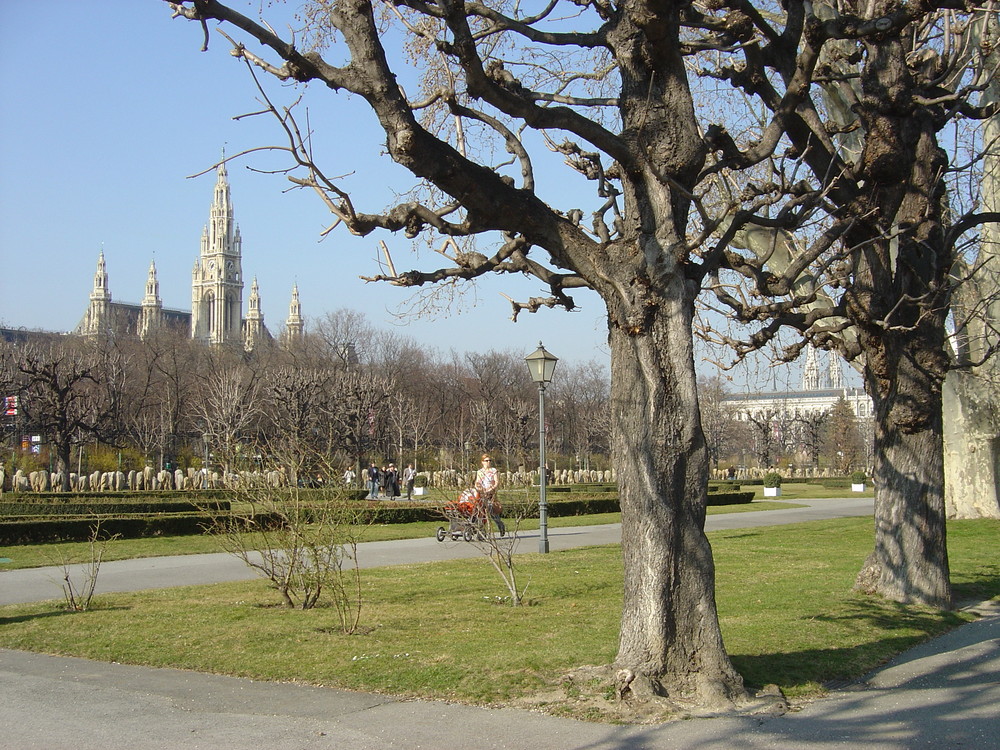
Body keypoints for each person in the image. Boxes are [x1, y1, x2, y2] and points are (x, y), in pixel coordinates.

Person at [474, 454, 505, 535]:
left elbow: (496, 482)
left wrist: (490, 490)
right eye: (486, 461)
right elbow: (477, 482)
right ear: (482, 462)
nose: (488, 462)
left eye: (489, 460)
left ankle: (500, 525)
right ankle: (481, 529)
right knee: (480, 511)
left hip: (490, 495)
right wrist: (479, 488)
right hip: (481, 494)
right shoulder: (479, 472)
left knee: (492, 512)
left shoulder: (493, 471)